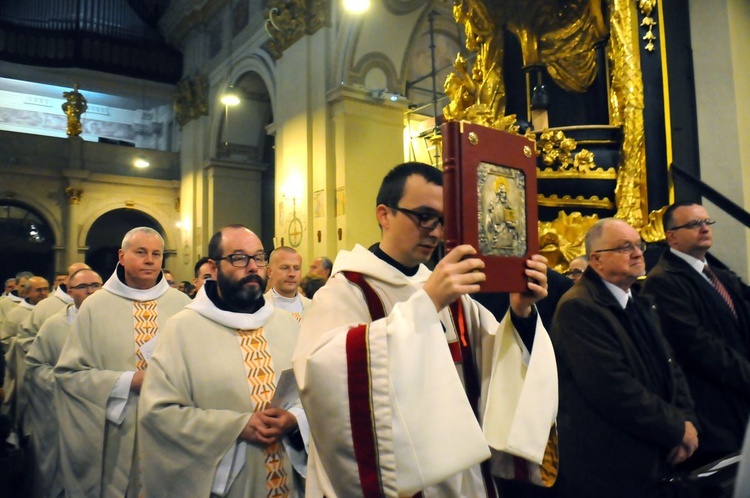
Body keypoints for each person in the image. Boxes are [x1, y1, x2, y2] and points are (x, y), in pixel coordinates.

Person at [293, 162, 556, 497]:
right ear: (384, 215)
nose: (436, 232)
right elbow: (323, 379)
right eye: (424, 216)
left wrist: (520, 311)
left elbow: (496, 373)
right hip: (398, 481)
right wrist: (427, 303)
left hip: (461, 478)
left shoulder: (451, 295)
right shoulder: (346, 292)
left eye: (443, 221)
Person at [139, 225, 309, 497]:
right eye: (239, 258)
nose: (252, 267)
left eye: (259, 258)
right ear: (214, 268)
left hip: (290, 477)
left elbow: (313, 394)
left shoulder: (287, 325)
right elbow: (158, 414)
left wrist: (295, 419)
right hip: (226, 485)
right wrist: (237, 426)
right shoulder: (182, 329)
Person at [551, 218, 698, 497]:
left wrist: (687, 422)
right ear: (597, 260)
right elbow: (613, 389)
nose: (637, 252)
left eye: (638, 245)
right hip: (609, 466)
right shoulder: (579, 308)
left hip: (651, 454)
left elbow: (670, 367)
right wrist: (676, 428)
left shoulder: (636, 300)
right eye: (624, 247)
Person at [54, 227, 191, 498]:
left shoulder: (183, 305)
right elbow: (69, 374)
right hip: (116, 430)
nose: (150, 260)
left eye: (156, 254)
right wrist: (129, 381)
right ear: (122, 256)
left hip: (173, 428)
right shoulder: (96, 306)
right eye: (141, 252)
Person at [642, 202, 750, 467]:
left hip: (739, 403)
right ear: (671, 236)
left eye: (706, 222)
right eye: (694, 224)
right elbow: (697, 346)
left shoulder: (719, 275)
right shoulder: (663, 281)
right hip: (712, 412)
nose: (704, 229)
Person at [25, 268, 103, 498]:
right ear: (70, 291)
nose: (90, 291)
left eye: (96, 286)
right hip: (65, 411)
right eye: (82, 287)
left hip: (103, 409)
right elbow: (35, 367)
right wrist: (68, 383)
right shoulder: (53, 326)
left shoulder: (112, 322)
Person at [1, 276, 49, 435]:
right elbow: (5, 340)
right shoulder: (16, 313)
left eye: (45, 289)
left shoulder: (51, 309)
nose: (43, 293)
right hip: (22, 366)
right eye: (38, 290)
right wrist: (24, 343)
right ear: (27, 292)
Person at [20, 262, 90, 347]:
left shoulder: (100, 305)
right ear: (66, 279)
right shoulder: (45, 306)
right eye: (78, 275)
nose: (85, 279)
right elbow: (27, 338)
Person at [265, 247, 310, 320]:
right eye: (285, 268)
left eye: (296, 268)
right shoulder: (259, 307)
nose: (292, 274)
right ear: (270, 272)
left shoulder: (312, 307)